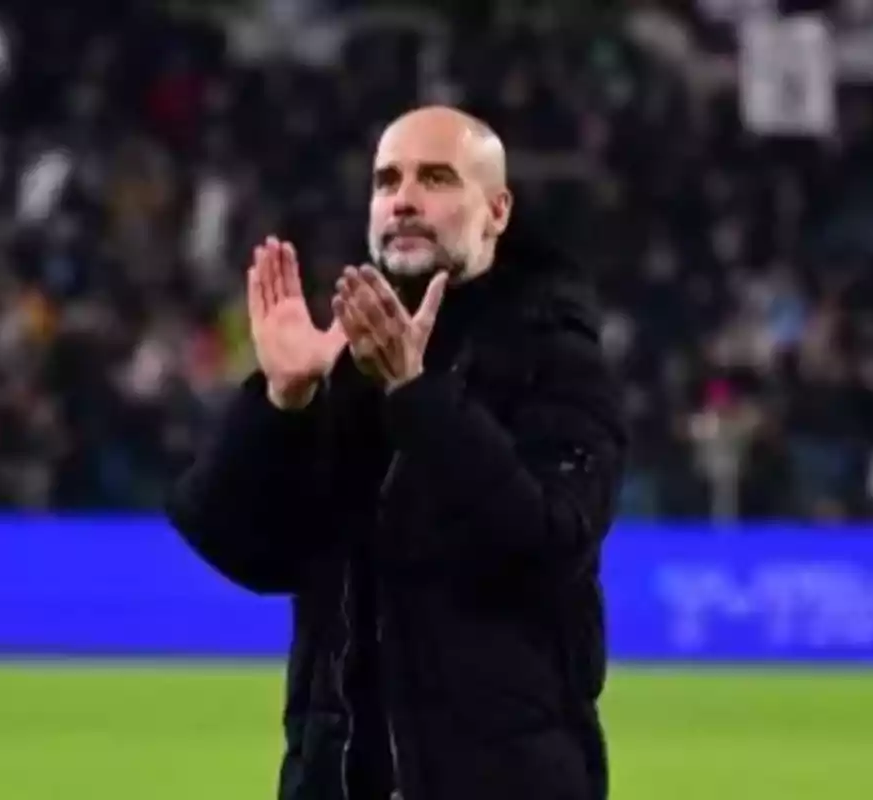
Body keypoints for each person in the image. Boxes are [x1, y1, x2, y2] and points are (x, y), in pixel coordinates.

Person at [167, 106, 626, 800]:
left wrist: (416, 394)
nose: (404, 199)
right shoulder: (342, 359)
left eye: (436, 178)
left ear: (496, 211)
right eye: (387, 182)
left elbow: (548, 541)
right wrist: (281, 401)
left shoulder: (557, 359)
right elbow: (245, 552)